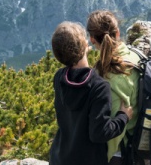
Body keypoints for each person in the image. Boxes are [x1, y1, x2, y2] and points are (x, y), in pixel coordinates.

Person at [49, 21, 133, 165]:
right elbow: (99, 133)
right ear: (84, 46)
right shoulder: (99, 87)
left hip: (60, 157)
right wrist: (123, 117)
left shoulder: (59, 77)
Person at [87, 10, 142, 165]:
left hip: (120, 154)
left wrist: (105, 158)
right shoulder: (135, 57)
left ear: (92, 39)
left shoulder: (107, 76)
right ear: (117, 33)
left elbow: (112, 133)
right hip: (139, 146)